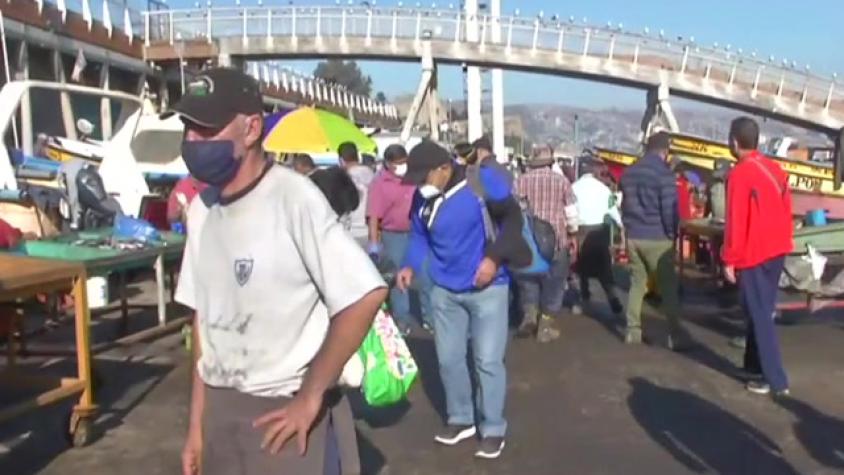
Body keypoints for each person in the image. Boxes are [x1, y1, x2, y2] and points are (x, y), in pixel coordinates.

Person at [166, 68, 387, 475]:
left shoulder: (294, 199)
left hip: (282, 419)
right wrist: (196, 427)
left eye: (206, 129)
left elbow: (364, 294)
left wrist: (310, 396)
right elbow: (204, 323)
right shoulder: (201, 211)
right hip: (220, 413)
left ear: (251, 129)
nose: (192, 142)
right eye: (187, 129)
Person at [396, 140, 528, 460]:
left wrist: (493, 259)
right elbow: (418, 235)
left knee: (487, 361)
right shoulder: (422, 198)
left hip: (489, 289)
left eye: (423, 177)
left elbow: (514, 222)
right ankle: (461, 418)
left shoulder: (482, 184)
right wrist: (410, 264)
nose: (418, 185)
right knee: (449, 358)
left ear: (444, 169)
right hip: (444, 290)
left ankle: (493, 427)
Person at [721, 117, 793, 397]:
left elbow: (736, 222)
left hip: (755, 251)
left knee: (759, 313)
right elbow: (786, 206)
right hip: (777, 248)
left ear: (734, 141)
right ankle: (753, 364)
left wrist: (729, 258)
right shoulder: (774, 168)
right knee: (758, 308)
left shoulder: (739, 174)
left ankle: (774, 378)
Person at [619, 132, 692, 351]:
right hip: (658, 237)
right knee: (668, 288)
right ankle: (675, 335)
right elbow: (670, 209)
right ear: (665, 151)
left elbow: (624, 206)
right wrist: (672, 234)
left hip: (634, 236)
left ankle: (632, 330)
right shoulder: (664, 175)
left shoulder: (629, 173)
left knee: (637, 283)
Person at [513, 145, 579, 342]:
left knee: (528, 281)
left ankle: (529, 315)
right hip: (557, 239)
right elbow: (572, 214)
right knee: (555, 283)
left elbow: (512, 209)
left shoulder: (520, 182)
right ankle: (546, 325)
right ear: (551, 163)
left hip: (528, 241)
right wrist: (573, 235)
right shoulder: (562, 182)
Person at [366, 144, 423, 334]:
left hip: (417, 232)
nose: (403, 166)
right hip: (393, 236)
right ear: (388, 164)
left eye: (405, 162)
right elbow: (374, 215)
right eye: (399, 163)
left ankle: (431, 317)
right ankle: (402, 319)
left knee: (425, 273)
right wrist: (374, 243)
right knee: (399, 279)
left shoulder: (412, 178)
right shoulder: (379, 184)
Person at [572, 160, 624, 315]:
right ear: (594, 173)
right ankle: (612, 296)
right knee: (604, 266)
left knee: (580, 266)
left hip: (580, 230)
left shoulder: (573, 188)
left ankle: (583, 296)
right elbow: (613, 210)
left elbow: (569, 210)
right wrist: (621, 226)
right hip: (600, 230)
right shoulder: (604, 189)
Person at [338, 142, 375, 245]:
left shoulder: (344, 181)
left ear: (341, 160)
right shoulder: (373, 177)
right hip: (372, 231)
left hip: (351, 233)